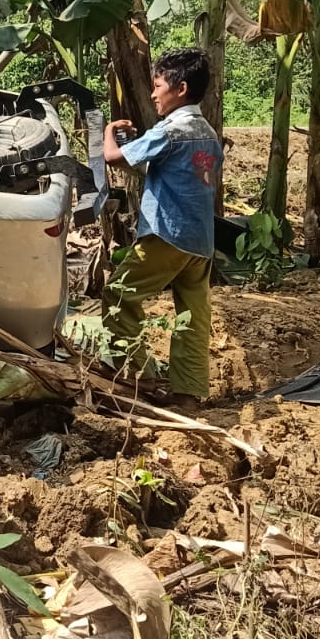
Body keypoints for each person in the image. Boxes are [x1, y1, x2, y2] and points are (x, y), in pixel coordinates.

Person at [100, 48, 222, 407]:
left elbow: (114, 157)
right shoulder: (208, 133)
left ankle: (141, 381)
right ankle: (189, 392)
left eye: (157, 86)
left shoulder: (172, 131)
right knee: (192, 316)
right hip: (200, 243)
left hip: (167, 234)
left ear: (179, 88)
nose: (153, 94)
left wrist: (109, 131)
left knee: (118, 296)